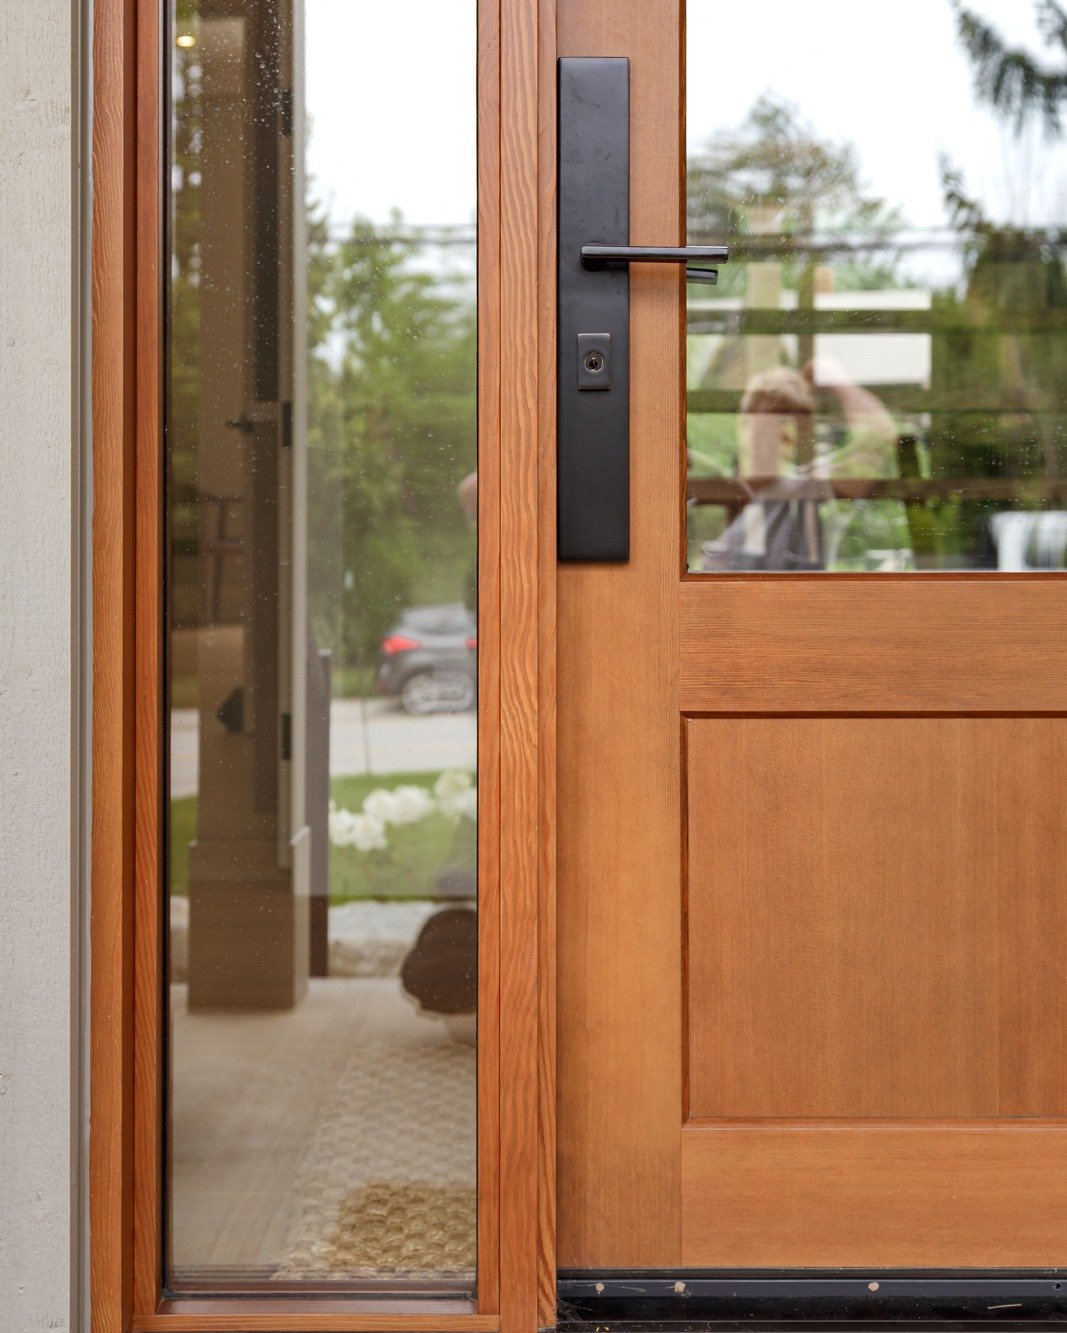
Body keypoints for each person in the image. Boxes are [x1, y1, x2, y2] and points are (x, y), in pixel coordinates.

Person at [702, 357, 901, 571]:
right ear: (743, 424)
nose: (780, 430)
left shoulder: (804, 490)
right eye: (770, 417)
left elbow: (879, 439)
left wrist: (834, 378)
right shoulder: (711, 491)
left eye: (790, 424)